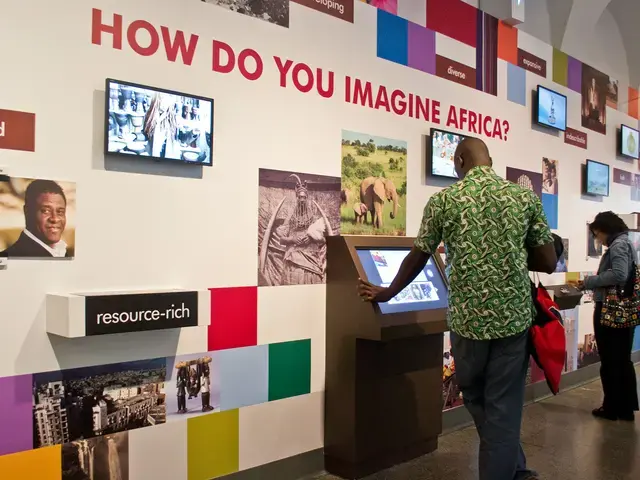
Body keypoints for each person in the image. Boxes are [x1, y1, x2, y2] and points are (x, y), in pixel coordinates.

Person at [358, 138, 556, 480]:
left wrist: (387, 291)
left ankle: (514, 468)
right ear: (489, 161)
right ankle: (513, 468)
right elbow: (548, 262)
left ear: (460, 160)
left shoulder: (444, 201)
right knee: (502, 409)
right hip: (513, 323)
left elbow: (418, 256)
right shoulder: (524, 198)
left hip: (468, 325)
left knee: (480, 400)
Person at [573, 212, 639, 421]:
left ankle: (611, 407)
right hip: (624, 310)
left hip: (612, 310)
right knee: (622, 360)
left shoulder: (618, 246)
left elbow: (619, 274)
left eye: (597, 234)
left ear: (605, 229)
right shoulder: (626, 243)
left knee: (611, 360)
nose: (597, 239)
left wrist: (590, 281)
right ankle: (625, 408)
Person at [0, 180, 70, 258]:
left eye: (60, 212)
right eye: (45, 211)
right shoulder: (9, 257)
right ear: (27, 211)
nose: (55, 219)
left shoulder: (63, 253)